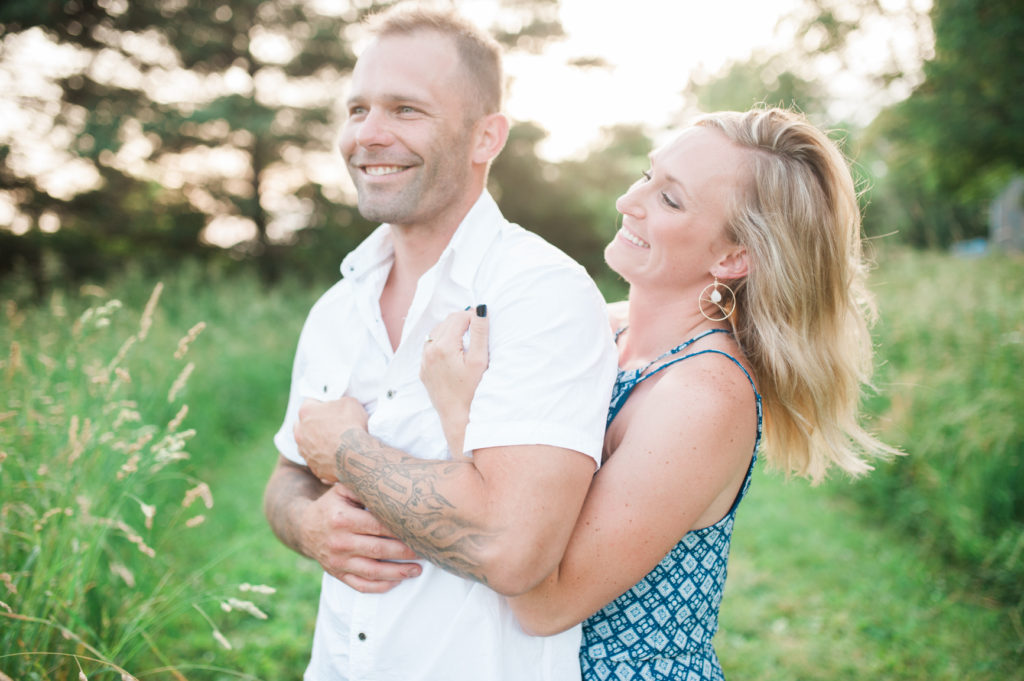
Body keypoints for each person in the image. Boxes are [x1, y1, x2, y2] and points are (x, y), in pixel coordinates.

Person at [333, 107, 898, 680]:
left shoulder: (702, 395)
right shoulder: (602, 328)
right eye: (649, 175)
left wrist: (459, 411)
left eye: (671, 199)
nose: (632, 201)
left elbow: (543, 602)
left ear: (732, 258)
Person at [262, 5, 617, 681]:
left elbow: (514, 549)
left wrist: (351, 452)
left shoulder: (539, 294)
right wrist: (307, 526)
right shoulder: (338, 307)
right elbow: (287, 476)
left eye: (405, 110)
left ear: (487, 136)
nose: (368, 134)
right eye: (358, 108)